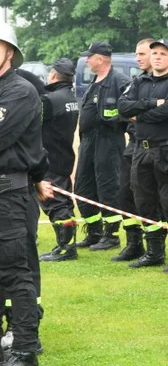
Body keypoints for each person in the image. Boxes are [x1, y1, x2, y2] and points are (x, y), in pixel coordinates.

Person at [0, 23, 49, 366]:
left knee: (16, 272)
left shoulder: (18, 91)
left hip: (9, 194)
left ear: (9, 52)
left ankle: (24, 351)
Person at [118, 39, 168, 273]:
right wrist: (151, 103)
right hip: (141, 149)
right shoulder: (139, 81)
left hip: (167, 150)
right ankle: (154, 252)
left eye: (163, 53)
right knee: (144, 201)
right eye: (155, 53)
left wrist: (140, 116)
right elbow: (123, 107)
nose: (157, 57)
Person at [74, 42, 130, 250]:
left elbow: (129, 112)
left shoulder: (119, 82)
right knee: (83, 185)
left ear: (101, 59)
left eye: (90, 57)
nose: (86, 60)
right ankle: (94, 231)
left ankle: (111, 234)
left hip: (108, 141)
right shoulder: (94, 82)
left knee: (107, 185)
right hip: (88, 142)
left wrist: (114, 121)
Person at [112, 39, 152, 263]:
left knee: (148, 196)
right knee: (124, 193)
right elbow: (123, 107)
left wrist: (140, 109)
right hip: (132, 142)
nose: (138, 58)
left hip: (151, 144)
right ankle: (133, 242)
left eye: (142, 53)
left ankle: (154, 247)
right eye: (137, 54)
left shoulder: (161, 82)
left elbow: (161, 108)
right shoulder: (136, 81)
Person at [38, 59, 80, 263]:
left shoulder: (49, 100)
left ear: (53, 75)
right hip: (63, 154)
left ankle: (66, 248)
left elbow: (32, 125)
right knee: (63, 201)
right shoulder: (70, 96)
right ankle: (67, 245)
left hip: (49, 156)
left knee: (55, 203)